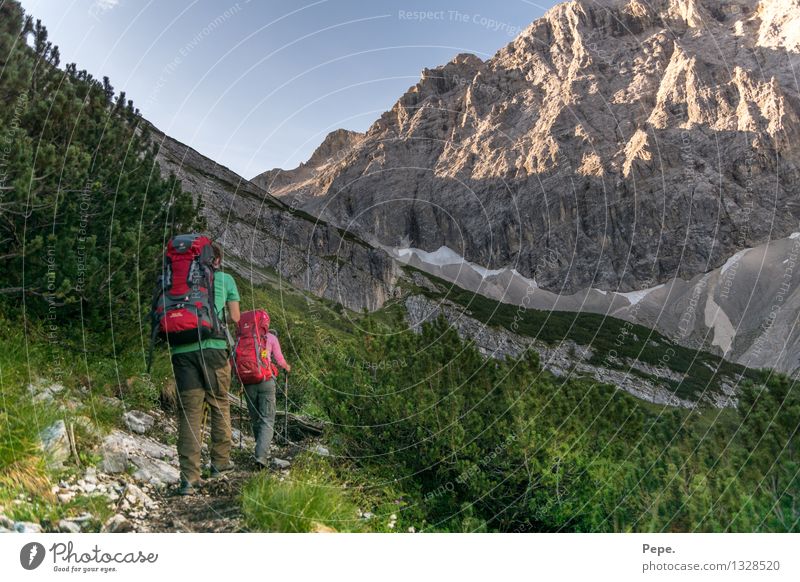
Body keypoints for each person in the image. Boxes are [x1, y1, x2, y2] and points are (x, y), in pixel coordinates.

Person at [171, 243, 240, 495]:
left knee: (190, 413)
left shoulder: (174, 279)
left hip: (181, 350)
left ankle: (189, 478)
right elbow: (234, 318)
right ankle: (220, 463)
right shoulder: (225, 279)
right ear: (216, 260)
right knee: (219, 402)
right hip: (213, 348)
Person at [243, 325, 291, 468]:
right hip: (266, 381)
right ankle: (261, 455)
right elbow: (280, 359)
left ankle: (260, 450)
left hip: (248, 382)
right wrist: (287, 367)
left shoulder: (245, 338)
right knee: (267, 418)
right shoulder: (271, 338)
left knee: (255, 417)